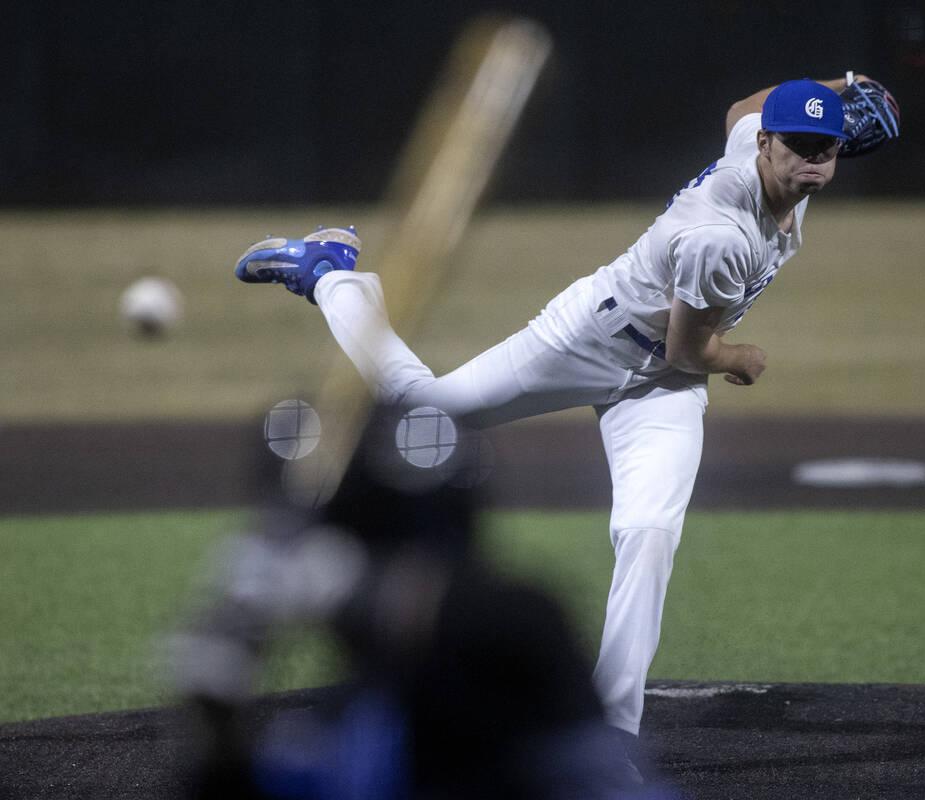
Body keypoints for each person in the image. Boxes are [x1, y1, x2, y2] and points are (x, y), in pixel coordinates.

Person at [235, 74, 866, 756]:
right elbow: (690, 351)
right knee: (424, 416)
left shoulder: (763, 141)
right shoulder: (720, 234)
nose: (811, 162)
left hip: (658, 387)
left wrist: (840, 82)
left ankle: (611, 736)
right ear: (766, 147)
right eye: (797, 145)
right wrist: (737, 357)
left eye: (825, 149)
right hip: (593, 338)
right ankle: (333, 273)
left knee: (649, 533)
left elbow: (740, 108)